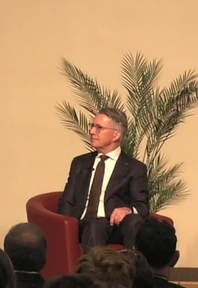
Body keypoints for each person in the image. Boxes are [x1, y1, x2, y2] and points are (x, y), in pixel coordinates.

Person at [57, 107, 149, 250]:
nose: (92, 131)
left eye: (99, 128)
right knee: (95, 225)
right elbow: (67, 202)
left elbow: (142, 206)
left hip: (114, 227)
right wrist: (65, 228)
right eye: (92, 126)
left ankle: (130, 269)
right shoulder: (80, 163)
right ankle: (93, 272)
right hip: (83, 224)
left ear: (116, 135)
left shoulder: (134, 168)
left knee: (133, 221)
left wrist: (128, 210)